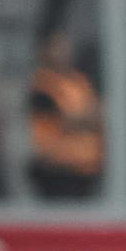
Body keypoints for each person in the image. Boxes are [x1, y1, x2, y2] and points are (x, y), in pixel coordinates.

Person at [28, 31, 103, 199]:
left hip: (85, 168)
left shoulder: (79, 81)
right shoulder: (42, 85)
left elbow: (99, 117)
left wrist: (87, 118)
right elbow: (65, 122)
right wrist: (88, 119)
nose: (63, 51)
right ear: (45, 50)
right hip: (57, 170)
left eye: (65, 46)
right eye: (57, 47)